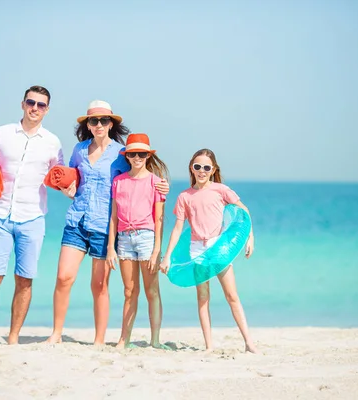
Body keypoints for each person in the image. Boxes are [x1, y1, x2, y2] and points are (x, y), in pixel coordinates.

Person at [45, 101, 169, 345]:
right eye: (94, 121)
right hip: (77, 220)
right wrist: (66, 189)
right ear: (88, 125)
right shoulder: (79, 150)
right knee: (63, 278)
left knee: (99, 284)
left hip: (104, 226)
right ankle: (56, 334)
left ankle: (99, 340)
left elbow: (139, 174)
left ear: (111, 124)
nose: (99, 124)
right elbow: (71, 179)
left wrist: (162, 185)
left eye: (104, 120)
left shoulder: (120, 154)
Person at [0, 86, 64, 345]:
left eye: (41, 105)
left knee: (24, 280)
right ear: (23, 103)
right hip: (1, 216)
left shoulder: (52, 142)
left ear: (47, 110)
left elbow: (58, 176)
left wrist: (70, 187)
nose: (35, 108)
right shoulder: (2, 133)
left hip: (33, 217)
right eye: (31, 102)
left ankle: (13, 338)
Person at [160, 148, 258, 353]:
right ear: (191, 168)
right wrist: (167, 256)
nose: (202, 171)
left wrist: (250, 238)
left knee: (232, 296)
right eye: (198, 166)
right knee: (203, 297)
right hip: (197, 250)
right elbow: (178, 228)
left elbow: (243, 212)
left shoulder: (221, 190)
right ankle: (209, 346)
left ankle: (249, 342)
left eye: (206, 167)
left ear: (213, 169)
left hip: (219, 248)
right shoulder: (185, 196)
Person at [106, 133, 170, 349]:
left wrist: (156, 251)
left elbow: (159, 219)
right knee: (129, 292)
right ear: (127, 156)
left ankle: (155, 340)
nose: (137, 157)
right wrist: (110, 248)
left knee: (152, 291)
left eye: (142, 154)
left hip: (146, 238)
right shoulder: (118, 181)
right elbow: (113, 217)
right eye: (133, 154)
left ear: (148, 156)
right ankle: (124, 340)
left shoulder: (156, 183)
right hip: (124, 240)